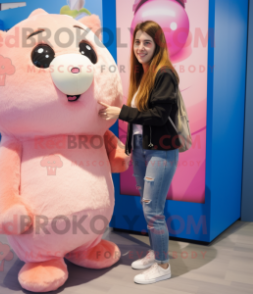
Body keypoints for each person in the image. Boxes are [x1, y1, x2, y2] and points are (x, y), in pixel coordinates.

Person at [98, 20, 181, 284]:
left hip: (161, 151)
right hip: (142, 150)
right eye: (137, 42)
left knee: (153, 210)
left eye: (147, 42)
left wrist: (119, 111)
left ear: (158, 45)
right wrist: (130, 146)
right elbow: (140, 121)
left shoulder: (164, 73)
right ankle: (155, 253)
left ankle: (163, 265)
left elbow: (158, 116)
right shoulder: (143, 74)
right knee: (150, 209)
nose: (141, 47)